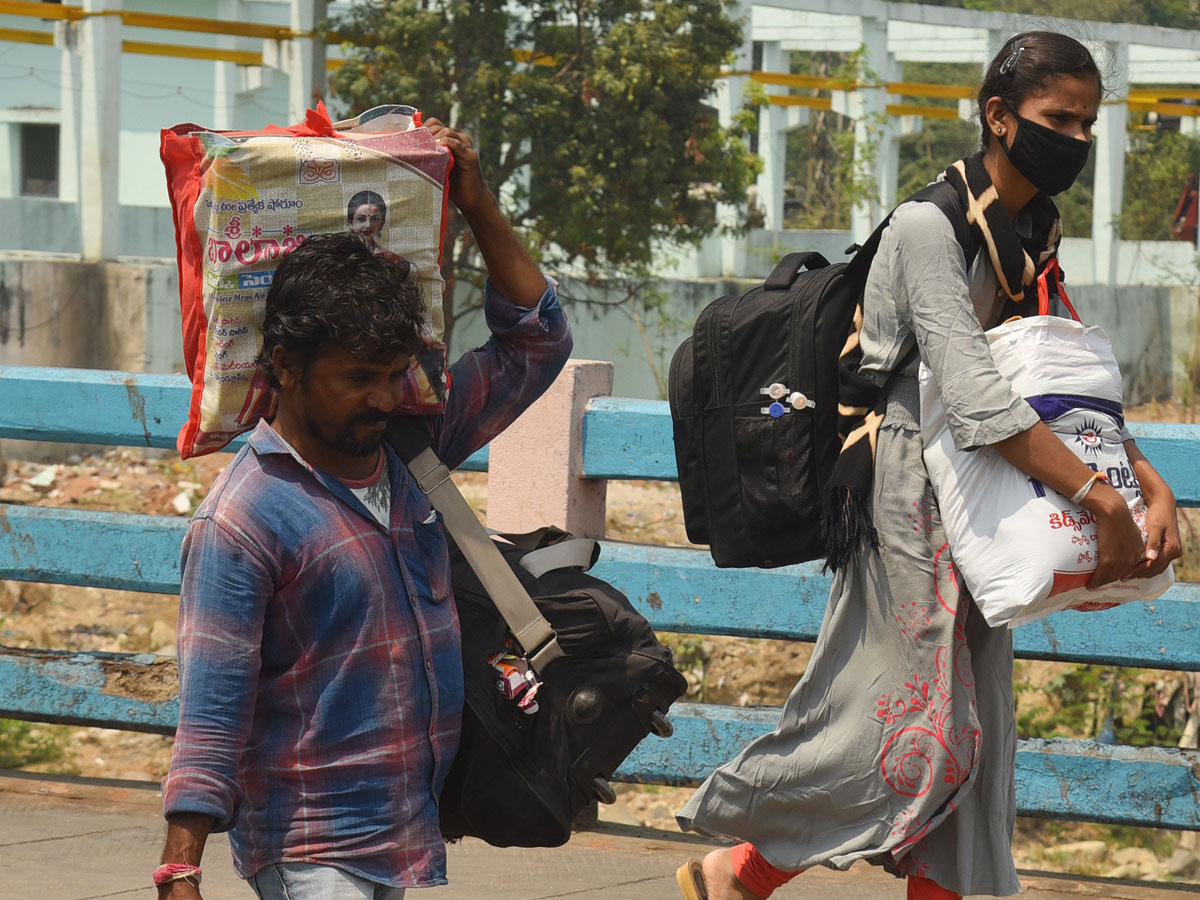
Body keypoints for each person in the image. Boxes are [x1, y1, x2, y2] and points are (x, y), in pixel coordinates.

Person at [675, 32, 1183, 900]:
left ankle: (752, 879)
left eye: (1089, 123)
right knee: (912, 718)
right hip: (907, 496)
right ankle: (739, 860)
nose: (1078, 140)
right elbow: (977, 398)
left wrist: (1146, 479)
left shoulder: (1034, 226)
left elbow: (1068, 382)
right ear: (998, 115)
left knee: (975, 733)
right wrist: (1100, 500)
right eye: (1059, 118)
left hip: (984, 497)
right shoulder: (927, 226)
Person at [154, 119, 572, 899]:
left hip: (405, 834)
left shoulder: (413, 448)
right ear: (286, 365)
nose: (385, 397)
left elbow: (538, 340)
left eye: (394, 372)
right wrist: (180, 867)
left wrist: (476, 203)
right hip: (311, 846)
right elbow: (213, 709)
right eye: (359, 378)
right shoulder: (243, 521)